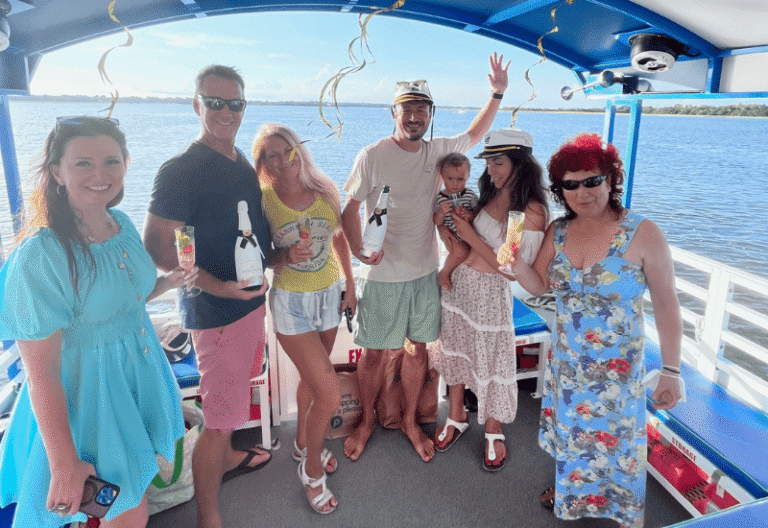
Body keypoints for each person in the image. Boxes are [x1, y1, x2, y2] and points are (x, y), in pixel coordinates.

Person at [0, 116, 192, 527]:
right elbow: (42, 374)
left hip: (136, 380)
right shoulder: (41, 256)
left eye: (111, 161)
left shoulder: (121, 225)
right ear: (57, 172)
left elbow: (123, 299)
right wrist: (64, 464)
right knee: (127, 513)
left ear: (125, 164)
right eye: (83, 163)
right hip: (91, 400)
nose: (100, 174)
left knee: (129, 499)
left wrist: (166, 282)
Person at [340, 53, 510, 463]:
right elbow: (349, 210)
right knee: (373, 354)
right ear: (393, 113)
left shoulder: (439, 152)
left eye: (422, 109)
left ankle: (412, 422)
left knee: (418, 350)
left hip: (423, 272)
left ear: (431, 114)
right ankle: (366, 421)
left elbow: (475, 133)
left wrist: (497, 93)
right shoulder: (372, 155)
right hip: (382, 275)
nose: (414, 116)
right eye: (407, 109)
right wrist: (361, 250)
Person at [510, 133, 684, 528]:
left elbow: (666, 305)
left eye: (592, 181)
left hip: (617, 371)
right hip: (568, 363)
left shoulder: (643, 233)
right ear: (560, 190)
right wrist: (517, 266)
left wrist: (672, 370)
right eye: (570, 184)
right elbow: (538, 285)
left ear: (611, 180)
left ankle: (621, 512)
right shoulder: (558, 231)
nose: (582, 192)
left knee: (617, 443)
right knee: (573, 434)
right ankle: (570, 490)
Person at [143, 65, 273, 528]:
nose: (225, 111)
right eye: (214, 102)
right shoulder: (181, 169)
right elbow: (158, 249)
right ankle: (208, 515)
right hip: (216, 313)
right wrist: (220, 287)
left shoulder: (240, 161)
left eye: (234, 103)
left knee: (232, 402)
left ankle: (231, 456)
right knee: (217, 420)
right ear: (196, 104)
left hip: (249, 305)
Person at [429, 128, 549, 471]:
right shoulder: (489, 194)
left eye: (498, 162)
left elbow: (509, 268)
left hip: (489, 293)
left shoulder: (527, 210)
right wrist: (465, 225)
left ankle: (493, 427)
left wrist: (468, 234)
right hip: (458, 284)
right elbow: (473, 237)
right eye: (488, 162)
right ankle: (456, 414)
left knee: (493, 361)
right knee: (455, 348)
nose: (490, 170)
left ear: (520, 164)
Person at [252, 123, 356, 514]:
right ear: (263, 163)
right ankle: (312, 471)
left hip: (329, 297)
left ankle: (301, 445)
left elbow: (340, 237)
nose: (282, 160)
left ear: (299, 150)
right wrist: (283, 256)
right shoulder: (262, 201)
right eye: (271, 155)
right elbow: (254, 254)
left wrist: (351, 286)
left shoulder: (326, 191)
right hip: (291, 303)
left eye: (287, 150)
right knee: (329, 393)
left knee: (314, 384)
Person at [433, 152, 478, 290]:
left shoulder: (470, 195)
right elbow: (437, 222)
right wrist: (441, 213)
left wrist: (469, 215)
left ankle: (458, 277)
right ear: (442, 176)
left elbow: (478, 213)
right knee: (460, 252)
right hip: (451, 234)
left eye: (460, 179)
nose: (455, 183)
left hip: (468, 233)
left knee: (471, 254)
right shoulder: (440, 198)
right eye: (450, 178)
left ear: (468, 176)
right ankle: (444, 273)